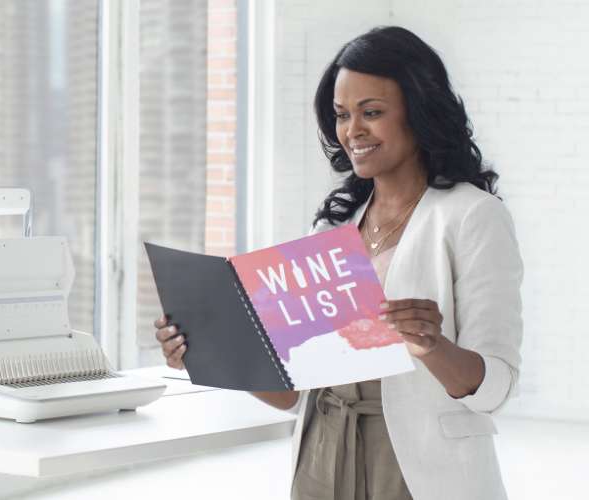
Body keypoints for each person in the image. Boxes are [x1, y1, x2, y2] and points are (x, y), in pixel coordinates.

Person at [154, 26, 523, 500]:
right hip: (320, 454)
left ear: (420, 111)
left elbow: (496, 387)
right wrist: (205, 350)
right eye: (342, 115)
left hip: (417, 465)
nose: (352, 131)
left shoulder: (472, 216)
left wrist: (432, 346)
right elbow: (291, 394)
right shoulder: (332, 228)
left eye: (372, 112)